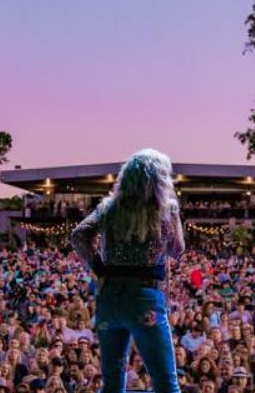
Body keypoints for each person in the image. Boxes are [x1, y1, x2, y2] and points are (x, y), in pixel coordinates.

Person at [71, 148, 185, 393]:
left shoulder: (108, 208)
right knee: (166, 383)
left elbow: (79, 235)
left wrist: (100, 268)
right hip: (145, 300)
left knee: (113, 382)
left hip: (108, 300)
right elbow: (177, 249)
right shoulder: (165, 210)